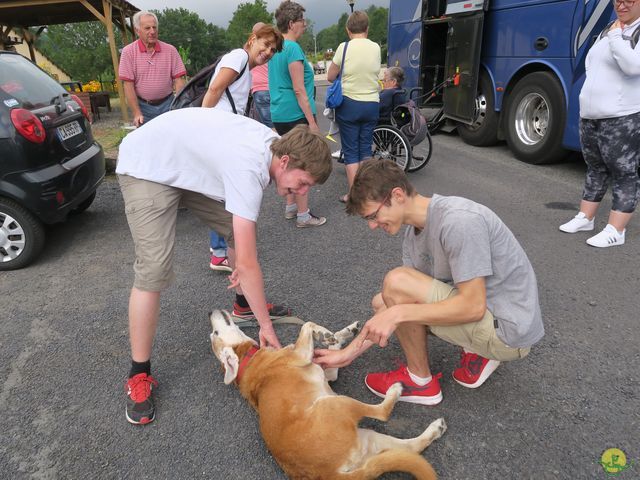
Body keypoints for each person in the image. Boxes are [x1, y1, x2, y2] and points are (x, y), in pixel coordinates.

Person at [116, 108, 332, 424]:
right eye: (302, 183)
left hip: (182, 163)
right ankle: (138, 373)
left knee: (238, 231)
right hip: (147, 165)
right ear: (284, 162)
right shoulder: (248, 167)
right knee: (154, 269)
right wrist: (266, 327)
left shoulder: (277, 147)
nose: (301, 193)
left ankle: (243, 306)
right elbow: (247, 264)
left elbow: (244, 245)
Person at [314, 160, 544, 406]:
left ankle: (420, 381)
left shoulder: (458, 221)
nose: (372, 226)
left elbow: (473, 307)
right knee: (383, 300)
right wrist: (347, 354)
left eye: (373, 215)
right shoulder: (414, 234)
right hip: (490, 312)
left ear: (398, 195)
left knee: (396, 284)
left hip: (508, 329)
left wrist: (398, 313)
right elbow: (396, 302)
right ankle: (477, 353)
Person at [201, 24, 284, 272]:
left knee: (223, 194)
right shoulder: (238, 57)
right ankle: (219, 252)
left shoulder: (246, 68)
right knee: (223, 195)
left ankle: (222, 250)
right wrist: (202, 123)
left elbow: (234, 106)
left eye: (273, 49)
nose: (268, 51)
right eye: (265, 44)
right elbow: (215, 88)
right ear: (252, 39)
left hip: (224, 133)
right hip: (217, 133)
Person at [558, 1, 640, 247]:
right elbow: (590, 65)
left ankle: (617, 230)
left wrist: (616, 36)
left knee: (624, 172)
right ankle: (586, 217)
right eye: (617, 0)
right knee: (595, 167)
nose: (621, 5)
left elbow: (633, 66)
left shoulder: (623, 31)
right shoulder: (608, 29)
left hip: (622, 116)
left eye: (629, 0)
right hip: (592, 116)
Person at [269, 0, 326, 228]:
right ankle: (303, 214)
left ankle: (291, 207)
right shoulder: (292, 48)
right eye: (302, 21)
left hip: (280, 113)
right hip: (295, 114)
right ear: (292, 23)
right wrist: (312, 122)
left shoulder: (277, 48)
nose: (305, 25)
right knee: (303, 163)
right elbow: (299, 88)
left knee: (290, 161)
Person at [327, 11, 381, 204]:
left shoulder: (344, 47)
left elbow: (330, 76)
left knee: (350, 151)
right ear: (367, 28)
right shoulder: (375, 47)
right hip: (372, 104)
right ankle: (368, 193)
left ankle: (353, 196)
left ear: (348, 29)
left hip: (349, 104)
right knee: (365, 149)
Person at [118, 11, 186, 127]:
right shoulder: (128, 52)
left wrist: (179, 106)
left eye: (154, 27)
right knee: (149, 143)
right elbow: (128, 85)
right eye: (147, 28)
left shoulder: (170, 50)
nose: (152, 32)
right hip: (144, 108)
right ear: (137, 30)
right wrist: (137, 113)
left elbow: (179, 80)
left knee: (171, 139)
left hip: (168, 104)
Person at [250, 23, 275, 129]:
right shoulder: (270, 50)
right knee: (276, 124)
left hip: (259, 90)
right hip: (273, 90)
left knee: (269, 127)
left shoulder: (251, 49)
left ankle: (276, 144)